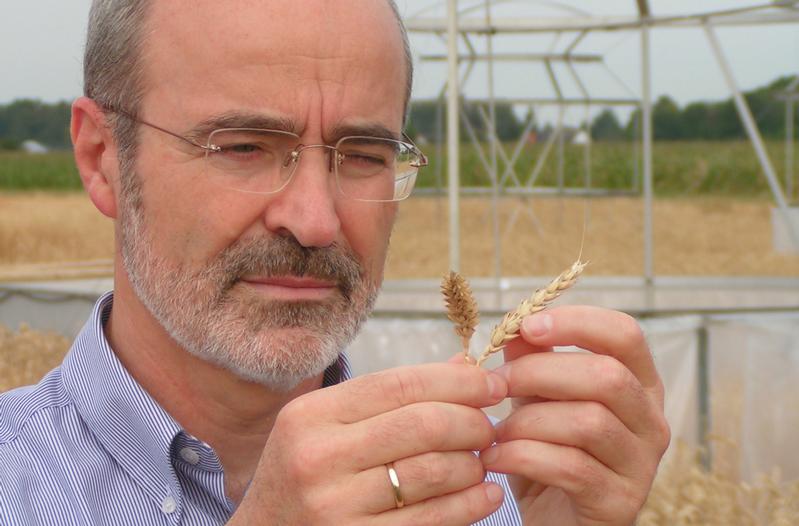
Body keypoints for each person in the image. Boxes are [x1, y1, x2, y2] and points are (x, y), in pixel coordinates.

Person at [0, 0, 670, 524]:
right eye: (243, 147)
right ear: (101, 159)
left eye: (363, 155)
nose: (316, 221)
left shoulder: (489, 491)